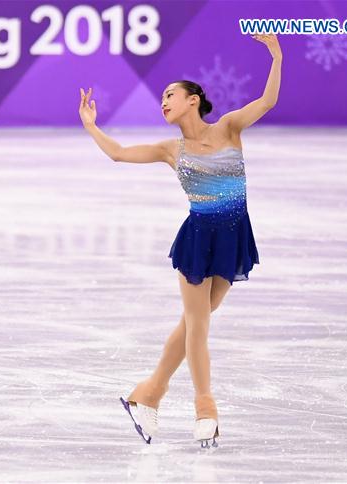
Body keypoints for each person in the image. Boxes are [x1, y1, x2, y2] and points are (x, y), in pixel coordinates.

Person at [77, 34, 282, 448]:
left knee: (193, 322)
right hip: (198, 240)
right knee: (199, 324)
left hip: (234, 235)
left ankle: (148, 393)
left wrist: (276, 56)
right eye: (162, 98)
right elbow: (118, 153)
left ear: (194, 99)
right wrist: (91, 125)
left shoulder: (228, 127)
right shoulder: (171, 149)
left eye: (171, 95)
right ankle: (205, 408)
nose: (164, 101)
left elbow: (267, 101)